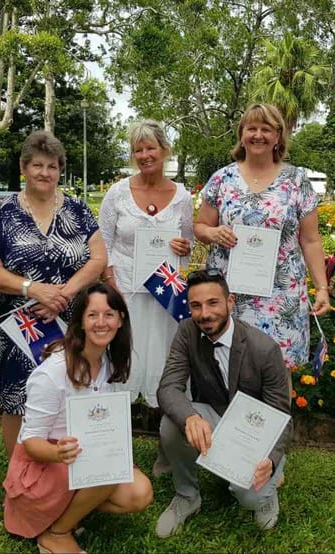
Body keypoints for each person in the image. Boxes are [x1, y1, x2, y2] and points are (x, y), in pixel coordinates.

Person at [0, 131, 108, 458]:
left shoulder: (77, 209)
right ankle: (19, 476)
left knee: (72, 389)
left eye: (52, 166)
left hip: (70, 320)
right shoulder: (5, 212)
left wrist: (64, 293)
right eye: (37, 165)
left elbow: (98, 258)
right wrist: (32, 288)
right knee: (17, 397)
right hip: (21, 323)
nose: (44, 173)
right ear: (24, 167)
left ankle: (71, 466)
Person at [3, 283, 153, 554]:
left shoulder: (107, 362)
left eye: (109, 315)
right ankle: (56, 534)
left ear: (120, 320)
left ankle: (64, 517)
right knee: (105, 469)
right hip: (45, 465)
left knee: (139, 492)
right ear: (81, 322)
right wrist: (58, 452)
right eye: (92, 315)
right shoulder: (52, 373)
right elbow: (29, 442)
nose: (101, 323)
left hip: (79, 459)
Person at [154, 269, 291, 537]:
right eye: (196, 306)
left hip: (254, 432)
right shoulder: (186, 332)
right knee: (172, 422)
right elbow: (169, 387)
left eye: (213, 303)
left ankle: (270, 485)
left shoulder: (264, 349)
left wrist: (272, 460)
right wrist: (190, 417)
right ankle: (187, 496)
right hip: (214, 415)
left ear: (230, 302)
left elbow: (281, 415)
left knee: (249, 498)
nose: (204, 313)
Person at [194, 103, 330, 368]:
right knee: (228, 366)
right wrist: (213, 232)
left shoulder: (296, 180)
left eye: (266, 129)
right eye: (251, 128)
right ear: (241, 134)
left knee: (277, 370)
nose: (258, 135)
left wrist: (322, 288)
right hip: (229, 291)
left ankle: (277, 412)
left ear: (278, 136)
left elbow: (310, 239)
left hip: (281, 294)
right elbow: (200, 226)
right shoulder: (222, 178)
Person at [98, 120, 193, 406]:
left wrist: (183, 247)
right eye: (138, 150)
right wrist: (110, 280)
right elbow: (103, 241)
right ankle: (111, 429)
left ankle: (166, 422)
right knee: (121, 356)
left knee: (163, 358)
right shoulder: (117, 193)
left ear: (164, 150)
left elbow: (188, 244)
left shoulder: (182, 196)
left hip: (164, 292)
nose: (144, 155)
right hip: (125, 289)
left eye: (150, 147)